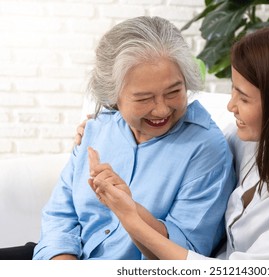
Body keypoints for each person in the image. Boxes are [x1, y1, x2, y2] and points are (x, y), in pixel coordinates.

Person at [88, 18, 269, 260]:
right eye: (233, 91)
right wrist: (106, 122)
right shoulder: (251, 141)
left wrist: (129, 218)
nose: (230, 106)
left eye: (243, 97)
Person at [28, 16, 236, 260]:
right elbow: (59, 214)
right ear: (113, 96)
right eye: (144, 98)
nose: (161, 110)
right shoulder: (97, 128)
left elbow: (186, 253)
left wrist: (128, 209)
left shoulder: (205, 148)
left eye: (173, 92)